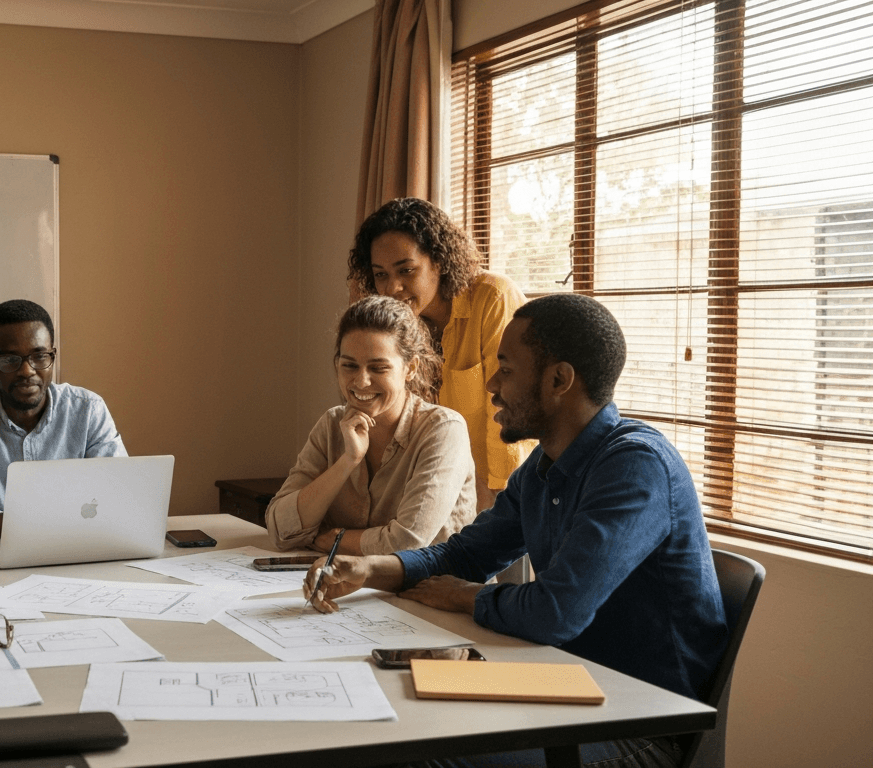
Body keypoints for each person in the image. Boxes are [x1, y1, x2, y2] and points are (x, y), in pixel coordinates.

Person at [306, 294, 728, 768]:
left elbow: (554, 613)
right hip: (562, 684)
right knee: (377, 715)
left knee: (412, 753)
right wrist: (371, 568)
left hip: (639, 723)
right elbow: (464, 554)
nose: (491, 383)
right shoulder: (545, 466)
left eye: (505, 368)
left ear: (558, 380)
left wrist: (465, 596)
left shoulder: (634, 466)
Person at [349, 198, 530, 513]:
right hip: (428, 493)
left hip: (496, 499)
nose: (392, 288)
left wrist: (489, 507)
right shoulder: (395, 326)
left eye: (406, 270)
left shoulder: (493, 299)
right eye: (380, 275)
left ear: (440, 262)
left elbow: (509, 413)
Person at [266, 296, 477, 556]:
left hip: (437, 591)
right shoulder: (332, 424)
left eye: (378, 368)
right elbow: (280, 529)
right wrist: (348, 461)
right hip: (363, 588)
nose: (361, 381)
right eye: (349, 366)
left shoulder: (444, 430)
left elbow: (406, 543)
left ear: (410, 369)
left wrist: (332, 539)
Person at [0, 299, 127, 540]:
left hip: (78, 547)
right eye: (10, 359)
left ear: (53, 356)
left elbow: (118, 494)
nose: (27, 371)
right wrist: (23, 527)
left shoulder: (87, 409)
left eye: (40, 356)